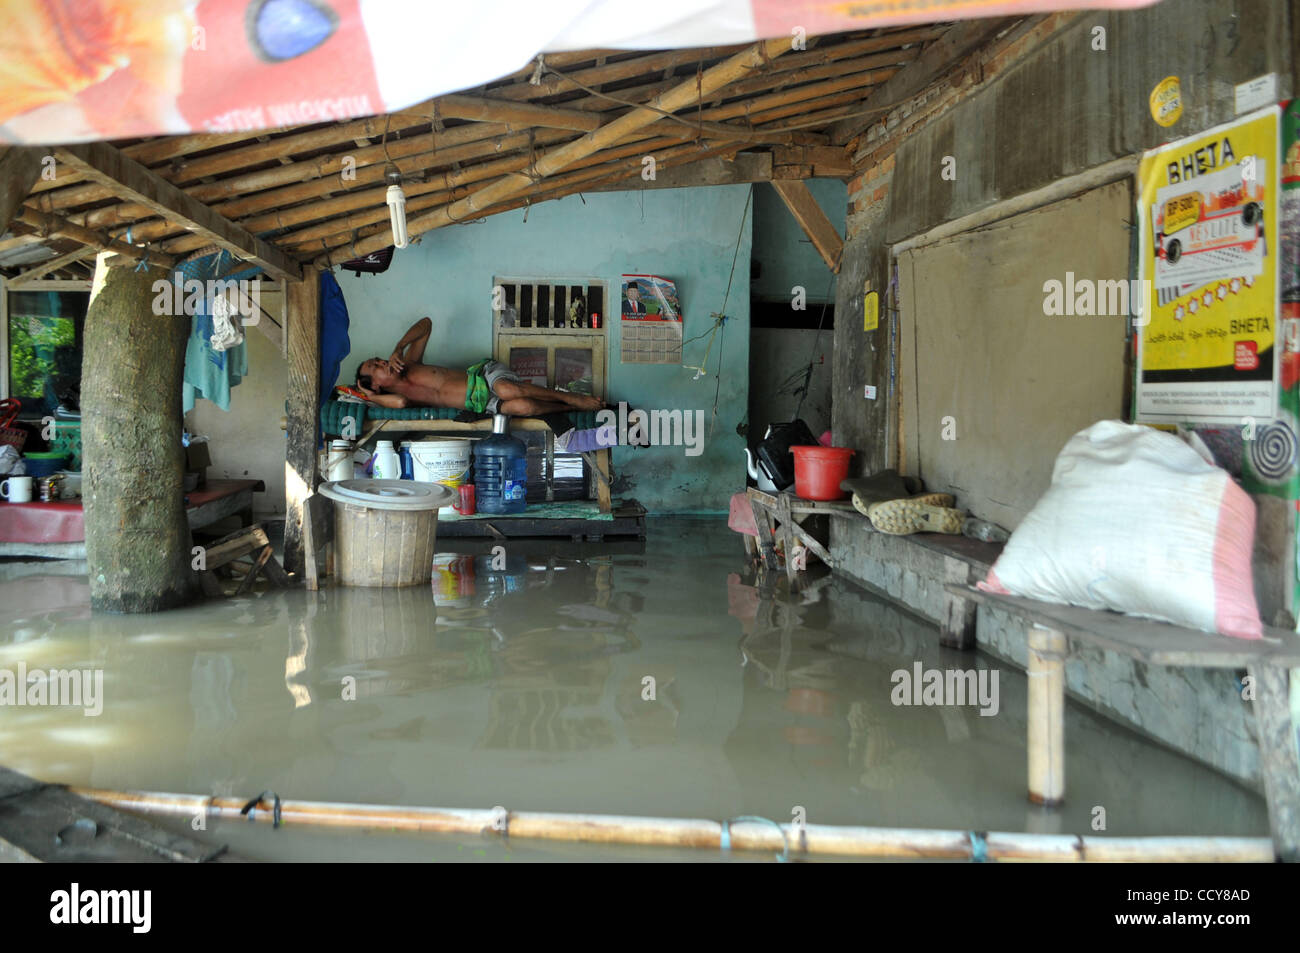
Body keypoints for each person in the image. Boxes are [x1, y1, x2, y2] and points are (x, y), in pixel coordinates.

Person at [355, 317, 604, 415]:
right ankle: (570, 410)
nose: (381, 362)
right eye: (373, 367)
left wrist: (400, 345)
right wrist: (370, 397)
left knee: (508, 390)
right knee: (524, 406)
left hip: (486, 376)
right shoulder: (395, 397)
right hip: (482, 404)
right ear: (375, 385)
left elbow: (427, 324)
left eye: (377, 359)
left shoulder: (409, 362)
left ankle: (573, 398)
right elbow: (400, 404)